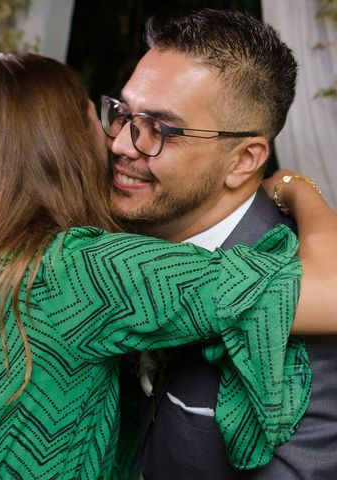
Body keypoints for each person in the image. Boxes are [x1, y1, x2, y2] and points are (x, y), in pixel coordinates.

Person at [0, 53, 337, 479]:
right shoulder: (84, 268)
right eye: (109, 119)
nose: (118, 144)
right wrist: (300, 188)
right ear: (63, 145)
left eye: (158, 128)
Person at [102, 9, 337, 479]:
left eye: (160, 129)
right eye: (124, 114)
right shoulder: (108, 242)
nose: (122, 146)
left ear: (243, 160)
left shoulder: (305, 313)